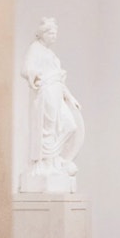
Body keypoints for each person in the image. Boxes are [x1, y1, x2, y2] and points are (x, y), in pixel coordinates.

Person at [19, 17, 84, 190]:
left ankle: (55, 160)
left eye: (56, 33)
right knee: (47, 129)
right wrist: (35, 74)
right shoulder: (35, 48)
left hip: (57, 91)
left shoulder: (52, 55)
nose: (54, 36)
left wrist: (70, 98)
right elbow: (25, 68)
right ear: (42, 34)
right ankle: (46, 163)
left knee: (70, 125)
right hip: (46, 92)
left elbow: (60, 81)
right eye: (51, 32)